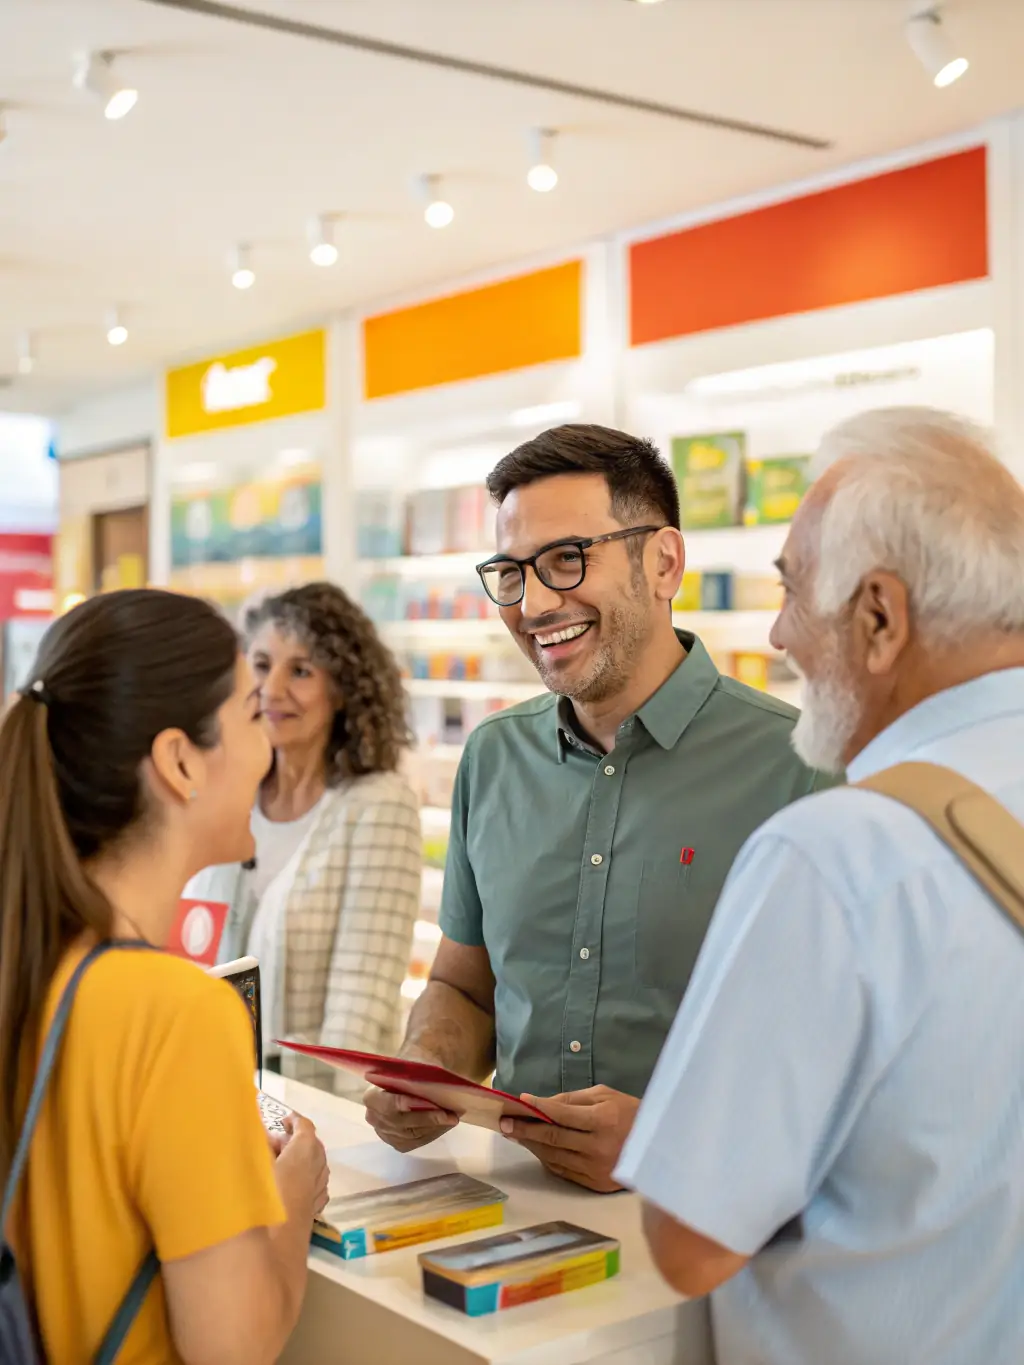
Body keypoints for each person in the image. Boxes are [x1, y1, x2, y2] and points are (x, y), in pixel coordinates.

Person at [616, 407, 1024, 1365]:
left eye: (795, 591)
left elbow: (690, 1241)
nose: (779, 633)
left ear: (879, 616)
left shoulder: (837, 855)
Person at [365, 423, 834, 1189]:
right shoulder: (492, 758)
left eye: (566, 560)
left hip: (715, 1230)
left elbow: (847, 1053)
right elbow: (463, 985)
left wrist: (667, 1137)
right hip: (508, 1215)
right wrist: (429, 1063)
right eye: (512, 573)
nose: (536, 602)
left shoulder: (803, 768)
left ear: (664, 561)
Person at [0, 589, 329, 1365]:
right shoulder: (178, 1013)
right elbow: (233, 1345)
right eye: (252, 713)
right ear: (181, 760)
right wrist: (290, 1200)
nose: (268, 744)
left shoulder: (33, 959)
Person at [188, 582, 420, 1098]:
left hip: (317, 1110)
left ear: (343, 688)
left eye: (301, 671)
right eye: (262, 665)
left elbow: (358, 1009)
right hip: (214, 1090)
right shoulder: (229, 796)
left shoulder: (376, 806)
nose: (272, 690)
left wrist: (324, 1126)